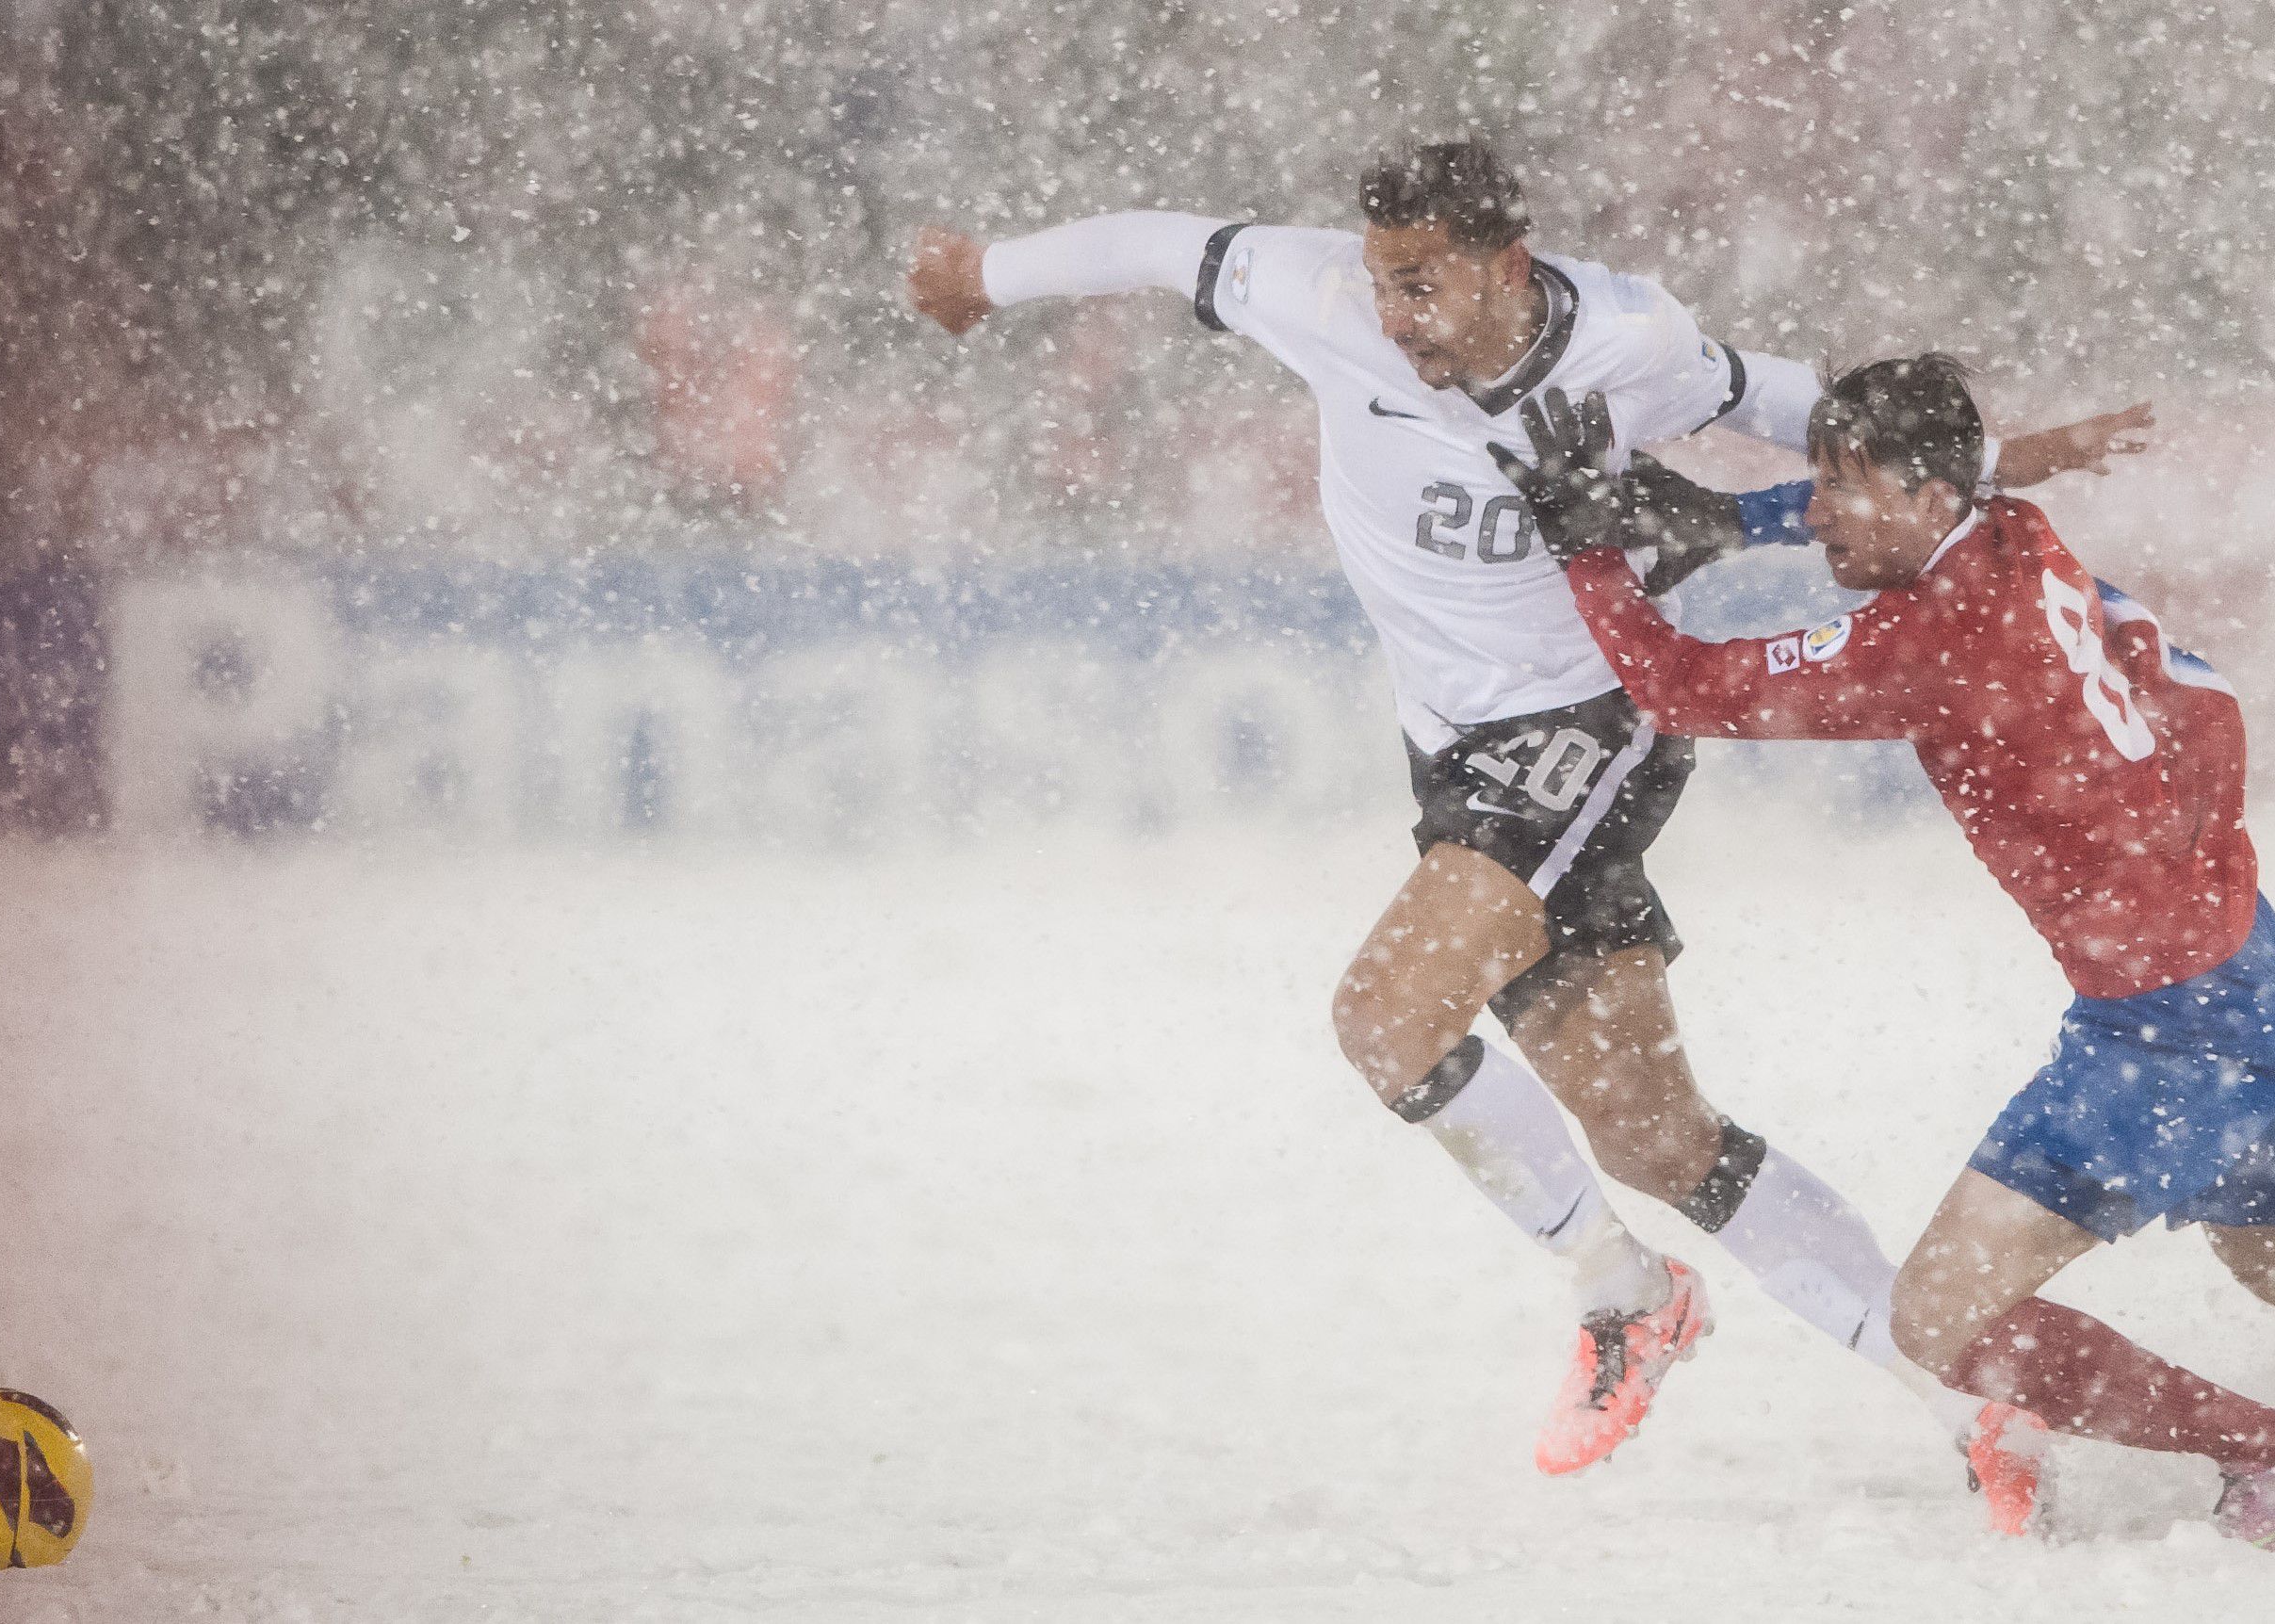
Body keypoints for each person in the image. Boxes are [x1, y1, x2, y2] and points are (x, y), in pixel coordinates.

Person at [904, 138, 2145, 1496]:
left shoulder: (1630, 338)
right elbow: (1153, 241)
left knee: (1385, 1017)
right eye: (1383, 283)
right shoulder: (1315, 296)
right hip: (1454, 758)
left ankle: (1622, 1297)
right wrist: (982, 274)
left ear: (1504, 265)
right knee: (1658, 1139)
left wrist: (1979, 465)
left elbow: (1798, 407)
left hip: (1594, 722)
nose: (1394, 315)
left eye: (1424, 285)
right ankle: (1969, 1411)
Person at [1496, 360, 2275, 1546]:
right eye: (1809, 482)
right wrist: (1716, 518)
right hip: (2241, 962)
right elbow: (2186, 685)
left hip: (2161, 1028)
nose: (1814, 509)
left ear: (1924, 495)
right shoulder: (2014, 529)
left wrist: (1587, 551)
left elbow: (1677, 681)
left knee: (1938, 1320)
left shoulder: (1936, 639)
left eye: (1839, 486)